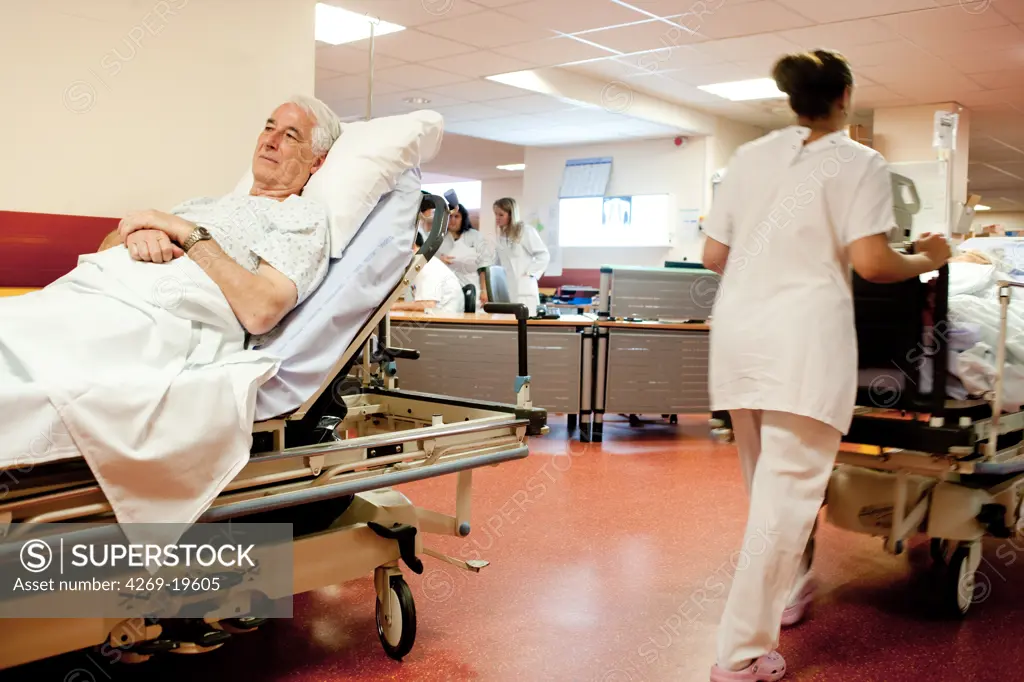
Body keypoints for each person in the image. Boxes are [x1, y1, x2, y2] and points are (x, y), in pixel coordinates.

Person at [701, 50, 950, 682]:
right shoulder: (858, 160)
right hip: (802, 348)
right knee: (782, 507)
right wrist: (928, 257)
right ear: (844, 96)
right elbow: (872, 263)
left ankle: (793, 588)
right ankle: (738, 657)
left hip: (739, 339)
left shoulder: (749, 157)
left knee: (768, 495)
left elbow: (712, 254)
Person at [96, 94, 340, 337]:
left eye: (290, 136)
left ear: (316, 162)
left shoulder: (301, 215)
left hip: (148, 317)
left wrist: (187, 234)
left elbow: (261, 310)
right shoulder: (202, 205)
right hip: (98, 288)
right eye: (269, 128)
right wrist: (139, 236)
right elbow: (104, 247)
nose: (270, 141)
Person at [486, 197, 550, 316]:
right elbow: (497, 264)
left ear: (511, 215)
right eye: (496, 214)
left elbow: (543, 255)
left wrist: (530, 273)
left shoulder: (525, 231)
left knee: (524, 325)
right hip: (507, 291)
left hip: (524, 289)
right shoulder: (501, 237)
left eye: (501, 215)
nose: (497, 218)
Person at [393, 232, 465, 314]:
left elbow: (428, 304)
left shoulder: (426, 266)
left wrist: (394, 306)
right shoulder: (418, 264)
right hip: (435, 317)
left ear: (412, 246)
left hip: (445, 320)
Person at [435, 202, 492, 306]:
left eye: (457, 216)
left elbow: (484, 266)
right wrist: (439, 260)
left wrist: (485, 290)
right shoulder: (439, 239)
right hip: (448, 292)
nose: (453, 220)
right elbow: (428, 264)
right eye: (450, 216)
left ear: (463, 218)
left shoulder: (475, 236)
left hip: (473, 290)